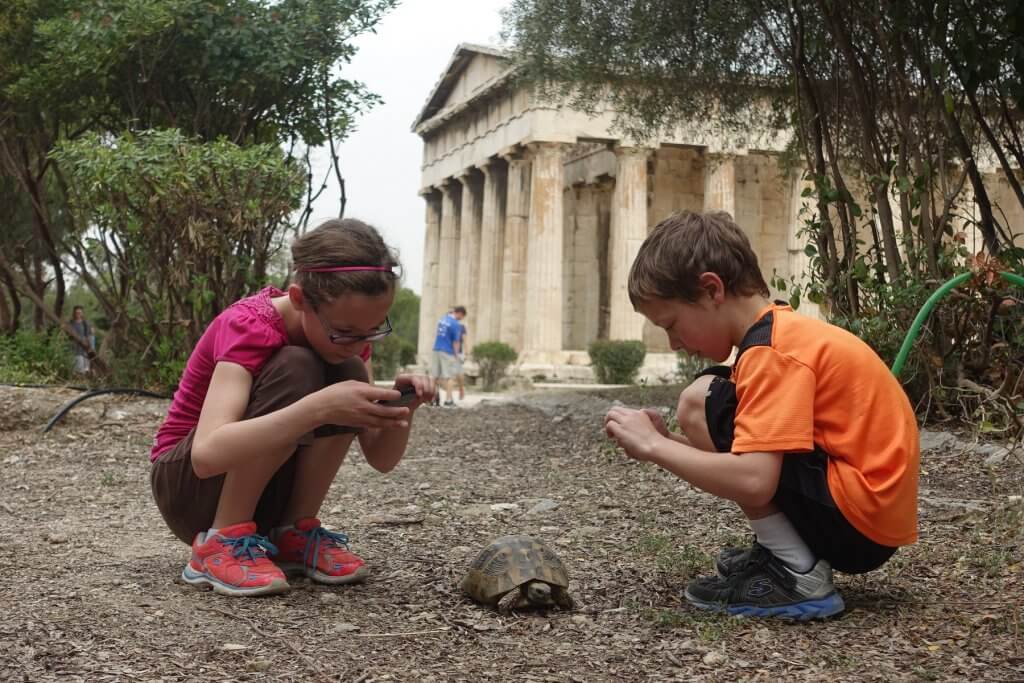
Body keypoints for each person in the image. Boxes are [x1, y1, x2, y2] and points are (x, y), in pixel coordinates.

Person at [604, 211, 919, 620]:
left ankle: (797, 572)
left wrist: (653, 447)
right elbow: (752, 461)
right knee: (706, 400)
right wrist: (669, 444)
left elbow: (754, 480)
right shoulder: (779, 333)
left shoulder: (771, 352)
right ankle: (786, 552)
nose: (674, 343)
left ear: (711, 289)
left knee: (702, 401)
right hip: (867, 514)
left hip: (858, 522)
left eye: (672, 324)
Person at [149, 218, 436, 597]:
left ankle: (293, 535)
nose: (357, 343)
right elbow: (206, 455)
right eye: (345, 331)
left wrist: (404, 408)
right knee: (296, 366)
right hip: (189, 488)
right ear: (300, 299)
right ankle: (219, 543)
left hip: (265, 493)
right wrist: (318, 408)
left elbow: (380, 458)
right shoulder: (249, 325)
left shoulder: (347, 344)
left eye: (371, 331)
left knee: (346, 372)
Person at [430, 306, 466, 407]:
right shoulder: (456, 324)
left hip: (436, 348)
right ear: (460, 313)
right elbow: (456, 342)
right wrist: (456, 355)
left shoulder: (442, 320)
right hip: (447, 351)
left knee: (435, 376)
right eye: (462, 316)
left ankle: (433, 399)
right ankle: (448, 400)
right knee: (449, 377)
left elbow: (439, 333)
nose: (461, 319)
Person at [69, 305, 95, 374]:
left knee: (86, 369)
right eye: (77, 313)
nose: (78, 314)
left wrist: (90, 347)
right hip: (76, 348)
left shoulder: (85, 323)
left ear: (82, 313)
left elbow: (90, 335)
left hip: (85, 348)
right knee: (79, 368)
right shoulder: (71, 323)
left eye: (80, 313)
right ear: (74, 313)